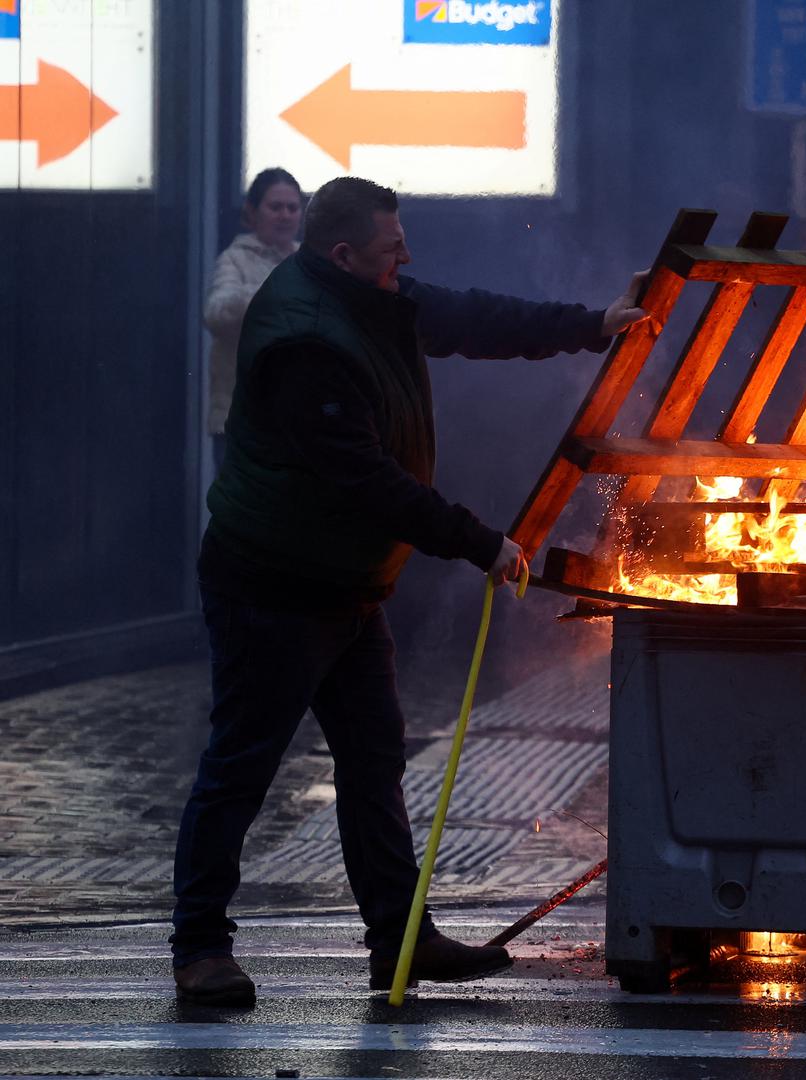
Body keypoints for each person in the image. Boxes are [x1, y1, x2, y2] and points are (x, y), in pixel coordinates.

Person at [172, 176, 649, 1006]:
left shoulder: (365, 292)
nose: (410, 260)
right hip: (274, 582)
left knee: (374, 761)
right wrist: (482, 544)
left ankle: (401, 936)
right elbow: (369, 483)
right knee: (241, 765)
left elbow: (466, 314)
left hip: (346, 582)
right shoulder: (307, 340)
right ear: (346, 254)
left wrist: (589, 325)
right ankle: (200, 948)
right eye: (395, 249)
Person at [203, 168, 304, 467]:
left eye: (292, 208)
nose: (285, 215)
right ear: (252, 212)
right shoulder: (234, 259)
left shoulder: (309, 262)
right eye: (275, 207)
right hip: (243, 424)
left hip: (301, 425)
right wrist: (271, 287)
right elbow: (216, 313)